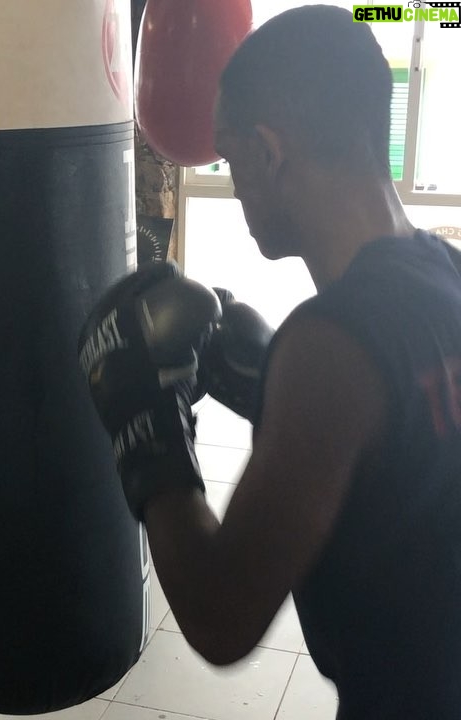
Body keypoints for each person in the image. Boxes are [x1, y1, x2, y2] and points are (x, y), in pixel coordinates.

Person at [79, 5, 461, 719]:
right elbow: (410, 460)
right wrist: (265, 390)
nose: (233, 179)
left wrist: (147, 430)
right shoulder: (447, 274)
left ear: (268, 149)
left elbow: (221, 618)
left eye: (228, 156)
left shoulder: (331, 350)